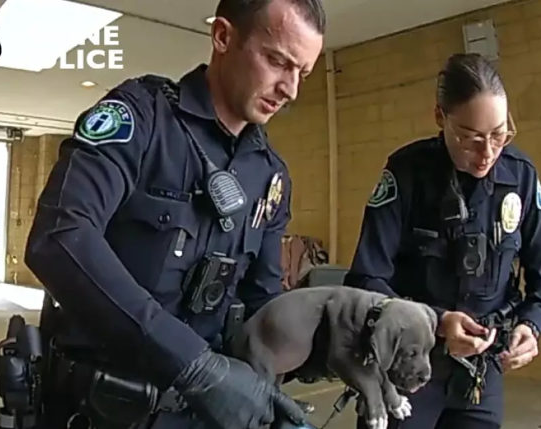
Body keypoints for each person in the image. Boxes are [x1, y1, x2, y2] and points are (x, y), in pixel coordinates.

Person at [22, 1, 325, 428]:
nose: (290, 89)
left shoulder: (272, 176)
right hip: (99, 410)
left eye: (303, 73)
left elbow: (262, 303)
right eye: (278, 61)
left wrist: (327, 345)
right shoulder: (141, 117)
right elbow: (59, 235)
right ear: (223, 37)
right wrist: (192, 365)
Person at [343, 53, 541, 429]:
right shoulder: (406, 174)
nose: (487, 152)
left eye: (498, 134)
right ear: (440, 117)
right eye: (471, 138)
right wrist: (438, 323)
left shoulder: (520, 177)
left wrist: (532, 325)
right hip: (406, 367)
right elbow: (365, 280)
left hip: (481, 373)